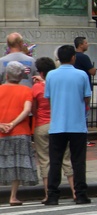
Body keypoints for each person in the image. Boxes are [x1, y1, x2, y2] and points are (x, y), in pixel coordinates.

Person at [42, 45, 92, 205]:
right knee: (78, 161)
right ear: (73, 57)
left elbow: (48, 98)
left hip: (57, 124)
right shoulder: (81, 74)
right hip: (77, 124)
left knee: (55, 161)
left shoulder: (51, 75)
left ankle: (53, 194)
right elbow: (87, 98)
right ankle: (81, 194)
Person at [32, 57, 72, 198]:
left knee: (44, 160)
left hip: (42, 124)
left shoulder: (36, 87)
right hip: (59, 123)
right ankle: (75, 191)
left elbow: (34, 109)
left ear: (41, 72)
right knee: (66, 158)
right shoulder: (58, 84)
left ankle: (48, 194)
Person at [0, 61, 37, 205]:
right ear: (21, 76)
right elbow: (27, 110)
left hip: (1, 131)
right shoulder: (26, 90)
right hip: (20, 131)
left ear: (7, 75)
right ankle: (13, 196)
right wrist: (13, 124)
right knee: (18, 163)